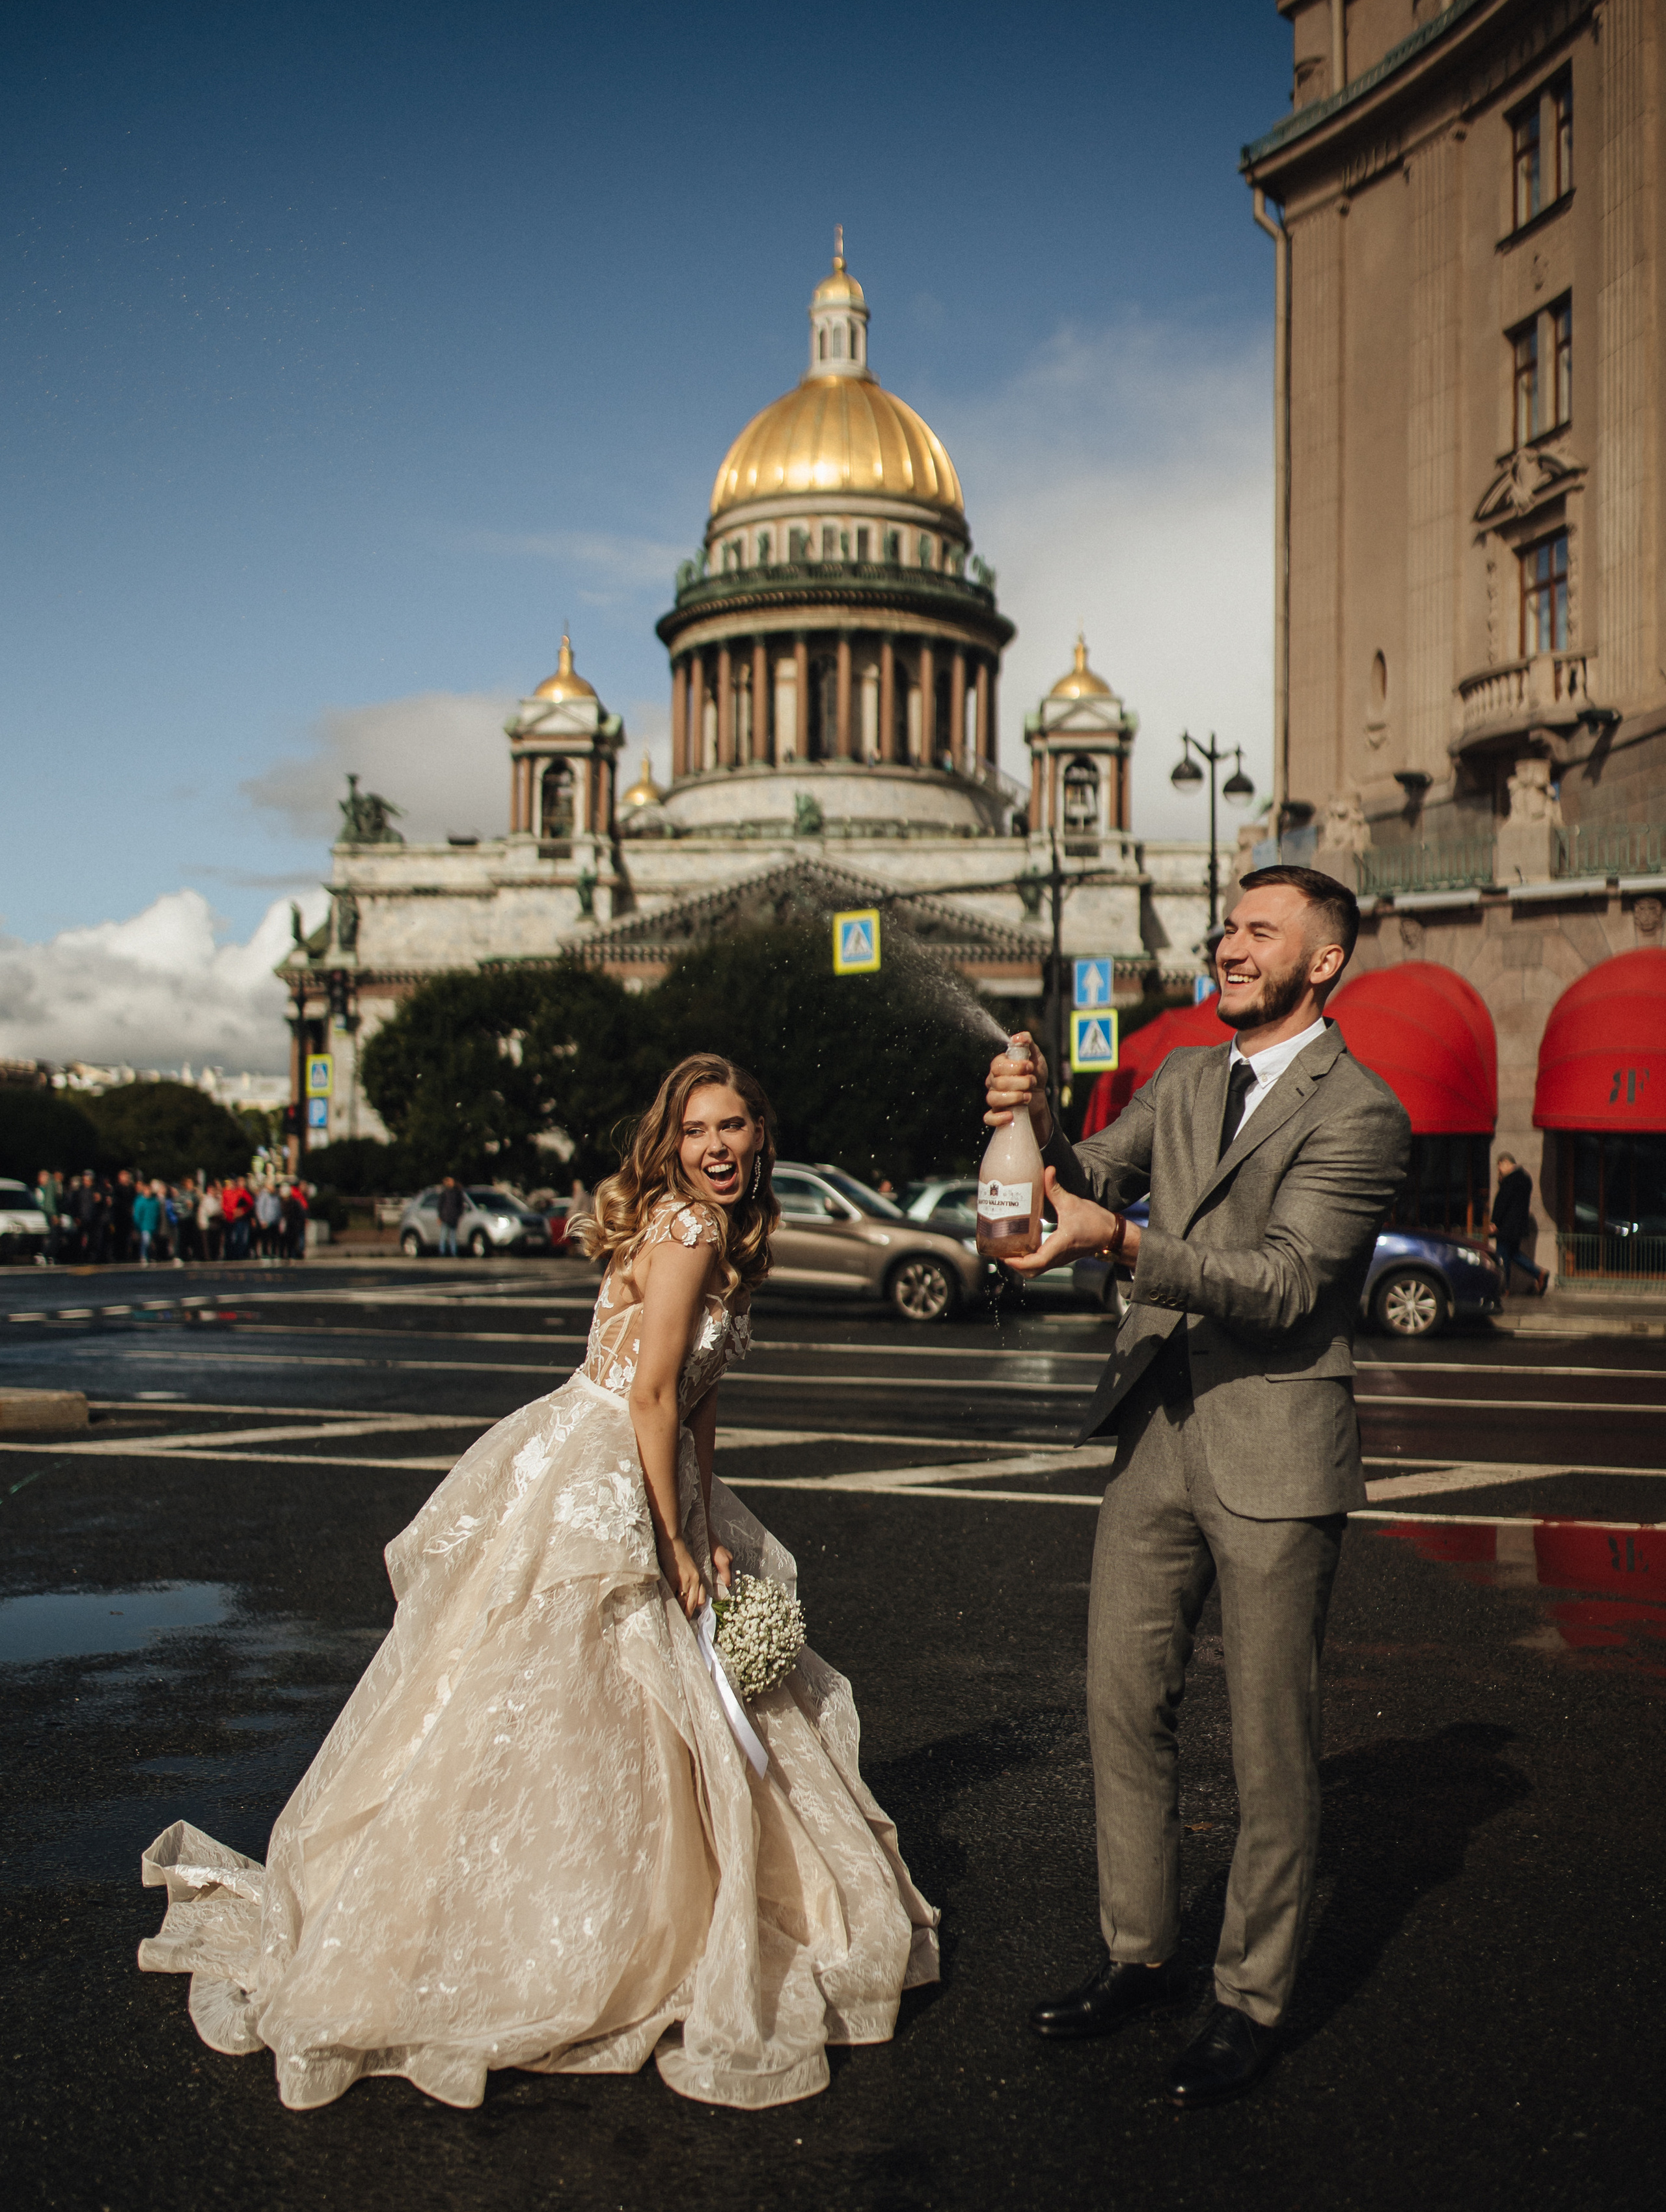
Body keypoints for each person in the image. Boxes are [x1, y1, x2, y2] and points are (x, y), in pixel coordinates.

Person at [139, 1054, 936, 2111]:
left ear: (760, 1133)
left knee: (583, 1700)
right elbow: (651, 1395)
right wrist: (676, 1540)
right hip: (603, 1464)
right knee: (593, 1686)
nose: (718, 1147)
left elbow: (699, 1403)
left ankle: (601, 1898)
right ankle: (579, 1922)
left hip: (619, 1457)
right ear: (673, 1139)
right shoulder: (688, 1229)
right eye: (698, 1129)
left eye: (735, 1125)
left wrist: (706, 1519)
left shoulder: (722, 1234)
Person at [985, 867, 1410, 2108]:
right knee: (1122, 1704)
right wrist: (1030, 1112)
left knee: (1269, 1743)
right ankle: (1142, 1953)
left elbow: (1282, 1283)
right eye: (1226, 925)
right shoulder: (1180, 1077)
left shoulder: (1361, 1110)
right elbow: (1088, 1175)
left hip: (1276, 1447)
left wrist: (1117, 1243)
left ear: (1321, 962)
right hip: (1156, 1437)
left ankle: (1250, 1998)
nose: (1227, 944)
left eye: (1257, 931)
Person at [1489, 1152, 1548, 1296]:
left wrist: (1495, 1222)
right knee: (1514, 1255)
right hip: (1518, 1227)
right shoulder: (1525, 1179)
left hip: (1506, 1227)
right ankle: (1539, 1273)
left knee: (1503, 1258)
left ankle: (1505, 1288)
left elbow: (1502, 1203)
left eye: (1500, 1167)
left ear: (1505, 1163)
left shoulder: (1509, 1181)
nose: (1499, 1171)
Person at [131, 1181, 162, 1267]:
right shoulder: (140, 1201)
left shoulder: (154, 1201)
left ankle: (151, 1256)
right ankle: (144, 1256)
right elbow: (137, 1214)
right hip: (144, 1225)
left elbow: (157, 1214)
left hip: (153, 1225)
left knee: (152, 1242)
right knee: (146, 1241)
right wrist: (137, 1225)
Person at [435, 1174, 465, 1258]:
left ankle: (453, 1252)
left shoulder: (457, 1192)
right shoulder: (444, 1192)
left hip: (453, 1218)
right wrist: (440, 1216)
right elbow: (440, 1206)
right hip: (445, 1217)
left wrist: (458, 1214)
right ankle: (442, 1252)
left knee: (453, 1236)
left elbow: (460, 1205)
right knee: (443, 1236)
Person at [35, 1170, 60, 1265]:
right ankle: (45, 1255)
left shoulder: (48, 1187)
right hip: (48, 1214)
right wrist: (54, 1214)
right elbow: (48, 1203)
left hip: (47, 1214)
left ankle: (49, 1256)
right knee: (53, 1235)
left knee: (53, 1235)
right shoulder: (48, 1187)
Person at [197, 1181, 223, 1263]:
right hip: (206, 1225)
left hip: (213, 1224)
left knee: (214, 1242)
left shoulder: (217, 1198)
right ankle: (208, 1258)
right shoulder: (207, 1199)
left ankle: (213, 1256)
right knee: (207, 1243)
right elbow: (211, 1213)